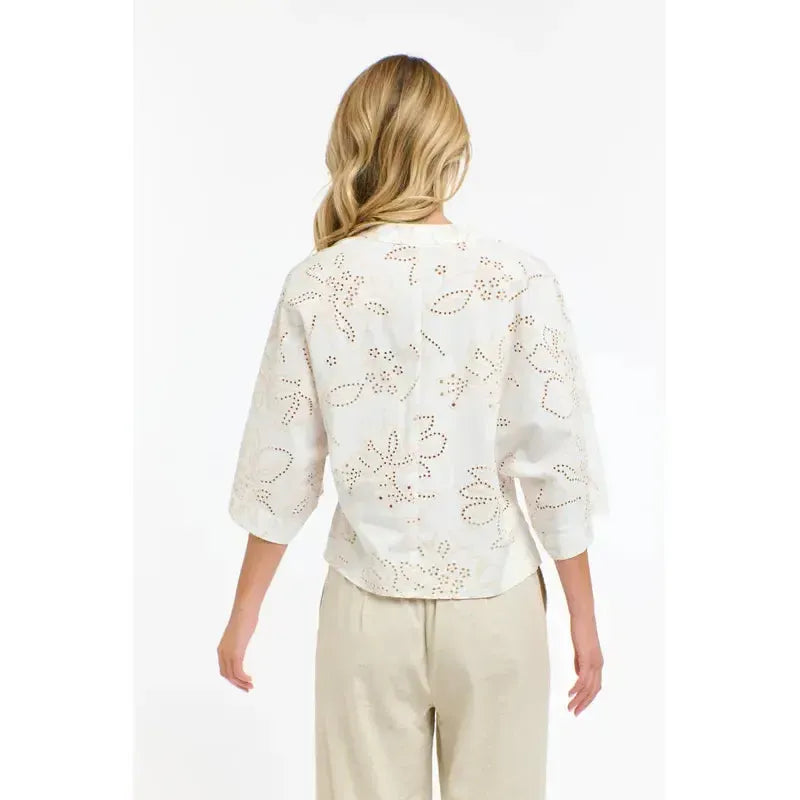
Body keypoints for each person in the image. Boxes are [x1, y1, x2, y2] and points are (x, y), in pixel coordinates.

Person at [218, 54, 606, 800]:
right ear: (451, 148)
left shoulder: (317, 282)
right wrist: (583, 622)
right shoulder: (518, 277)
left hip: (366, 611)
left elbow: (282, 467)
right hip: (497, 605)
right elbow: (555, 463)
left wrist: (243, 616)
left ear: (351, 144)